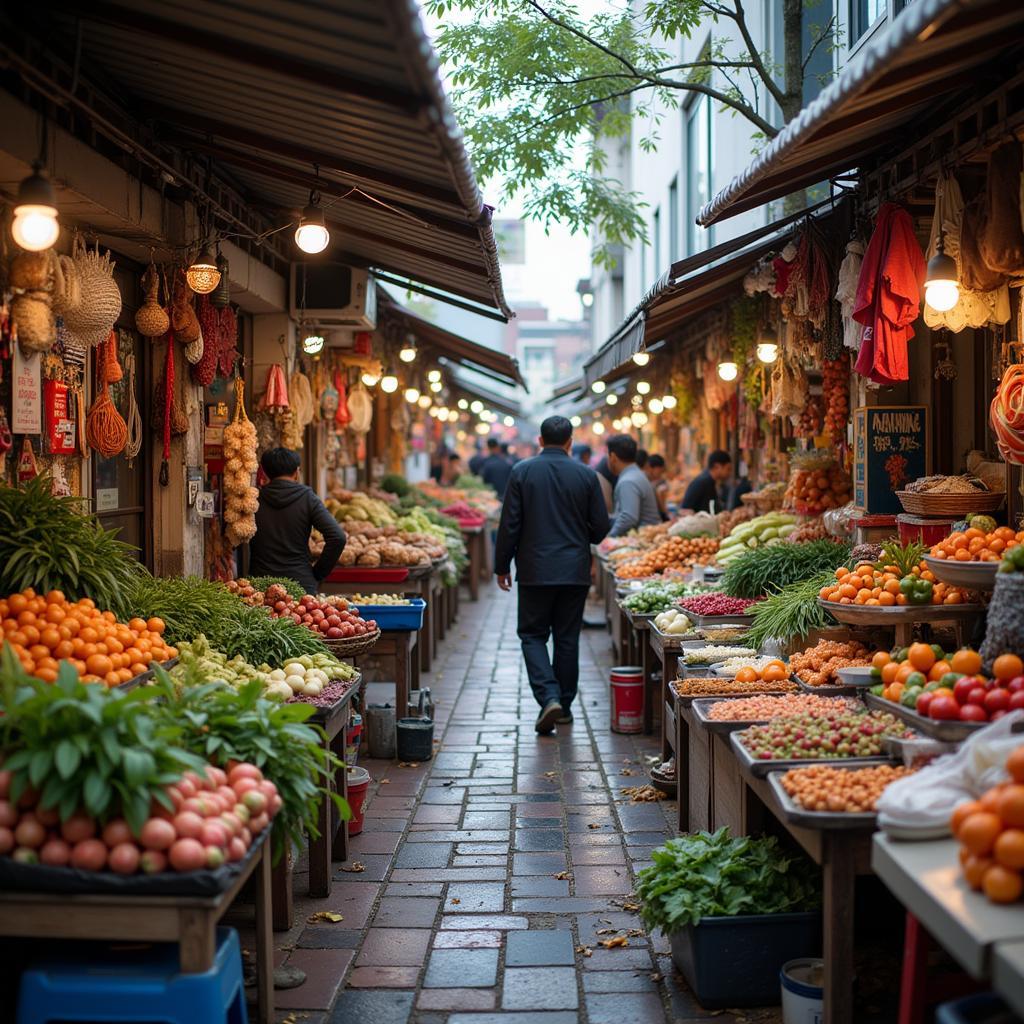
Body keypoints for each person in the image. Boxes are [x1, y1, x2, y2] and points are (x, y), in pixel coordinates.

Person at [494, 415, 610, 734]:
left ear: (540, 441)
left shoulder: (522, 472)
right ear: (570, 442)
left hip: (534, 570)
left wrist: (501, 565)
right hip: (574, 570)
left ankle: (549, 697)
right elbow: (600, 529)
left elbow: (510, 525)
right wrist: (578, 532)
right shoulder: (587, 476)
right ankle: (565, 707)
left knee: (532, 635)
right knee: (567, 638)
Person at [250, 447, 346, 595]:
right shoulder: (307, 498)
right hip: (300, 585)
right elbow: (338, 537)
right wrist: (318, 573)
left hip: (260, 586)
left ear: (266, 472)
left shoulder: (254, 499)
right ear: (297, 472)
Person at [607, 434, 662, 536]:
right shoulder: (635, 474)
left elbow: (629, 517)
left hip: (643, 538)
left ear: (613, 457)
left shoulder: (628, 481)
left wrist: (609, 538)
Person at [681, 449, 733, 514]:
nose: (729, 473)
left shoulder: (711, 482)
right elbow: (685, 510)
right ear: (717, 467)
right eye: (728, 469)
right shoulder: (703, 483)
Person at [644, 453, 670, 521]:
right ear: (651, 468)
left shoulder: (653, 483)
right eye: (660, 471)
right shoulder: (646, 483)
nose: (660, 475)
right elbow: (662, 509)